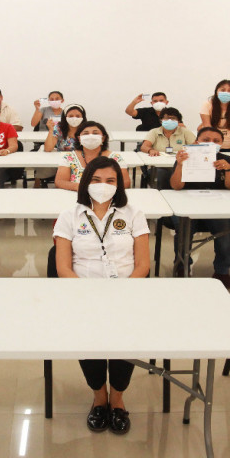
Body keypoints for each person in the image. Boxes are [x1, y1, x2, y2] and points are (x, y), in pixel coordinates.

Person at [53, 156, 150, 435]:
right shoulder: (69, 216)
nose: (103, 186)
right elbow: (63, 267)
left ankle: (117, 399)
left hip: (126, 292)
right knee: (90, 344)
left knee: (123, 345)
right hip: (83, 293)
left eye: (110, 180)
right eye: (96, 180)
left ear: (119, 184)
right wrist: (88, 294)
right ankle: (99, 397)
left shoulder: (133, 213)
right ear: (85, 183)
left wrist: (122, 291)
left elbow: (143, 264)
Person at [169, 127, 230, 286]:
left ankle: (222, 271)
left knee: (225, 232)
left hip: (216, 205)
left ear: (222, 143)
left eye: (216, 141)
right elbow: (176, 186)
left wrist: (228, 169)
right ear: (196, 141)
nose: (211, 143)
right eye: (206, 140)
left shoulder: (227, 160)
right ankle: (182, 266)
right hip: (188, 204)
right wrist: (180, 165)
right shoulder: (186, 157)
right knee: (183, 229)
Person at [55, 121, 130, 190]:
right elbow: (60, 181)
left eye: (95, 133)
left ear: (103, 138)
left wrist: (104, 189)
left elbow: (126, 182)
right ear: (79, 138)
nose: (90, 136)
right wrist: (82, 188)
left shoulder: (115, 158)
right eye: (86, 133)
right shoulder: (69, 157)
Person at [199, 79, 230, 152]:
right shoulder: (207, 104)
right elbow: (207, 127)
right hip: (213, 145)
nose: (226, 93)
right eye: (223, 90)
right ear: (216, 91)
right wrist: (211, 146)